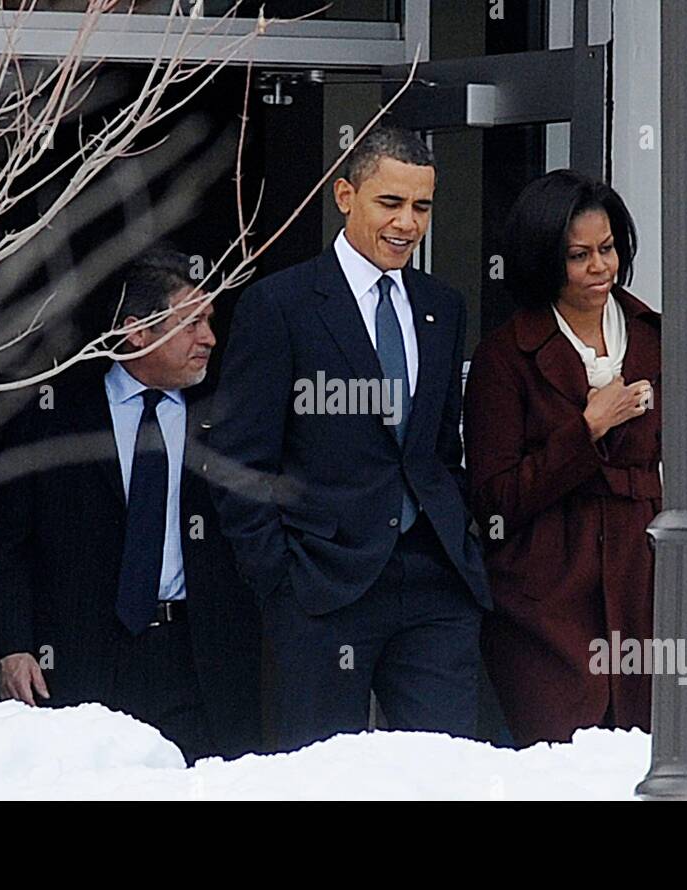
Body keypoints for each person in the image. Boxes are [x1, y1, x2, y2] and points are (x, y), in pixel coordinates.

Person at [208, 125, 492, 752]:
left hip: (433, 581)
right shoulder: (279, 305)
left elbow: (440, 448)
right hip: (320, 585)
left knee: (447, 775)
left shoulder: (441, 306)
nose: (407, 224)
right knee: (318, 777)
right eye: (389, 204)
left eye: (421, 207)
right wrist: (279, 581)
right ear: (345, 196)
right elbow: (237, 460)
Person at [462, 169, 687, 746]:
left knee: (647, 764)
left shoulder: (657, 337)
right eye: (578, 255)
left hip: (647, 588)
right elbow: (495, 500)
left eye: (608, 249)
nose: (600, 267)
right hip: (544, 602)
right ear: (543, 258)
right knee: (562, 770)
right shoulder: (503, 357)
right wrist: (588, 428)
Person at [0, 249, 261, 763]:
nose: (209, 339)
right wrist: (13, 644)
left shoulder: (230, 414)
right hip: (80, 657)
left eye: (210, 322)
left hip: (200, 659)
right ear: (137, 332)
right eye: (192, 323)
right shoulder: (54, 414)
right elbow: (7, 543)